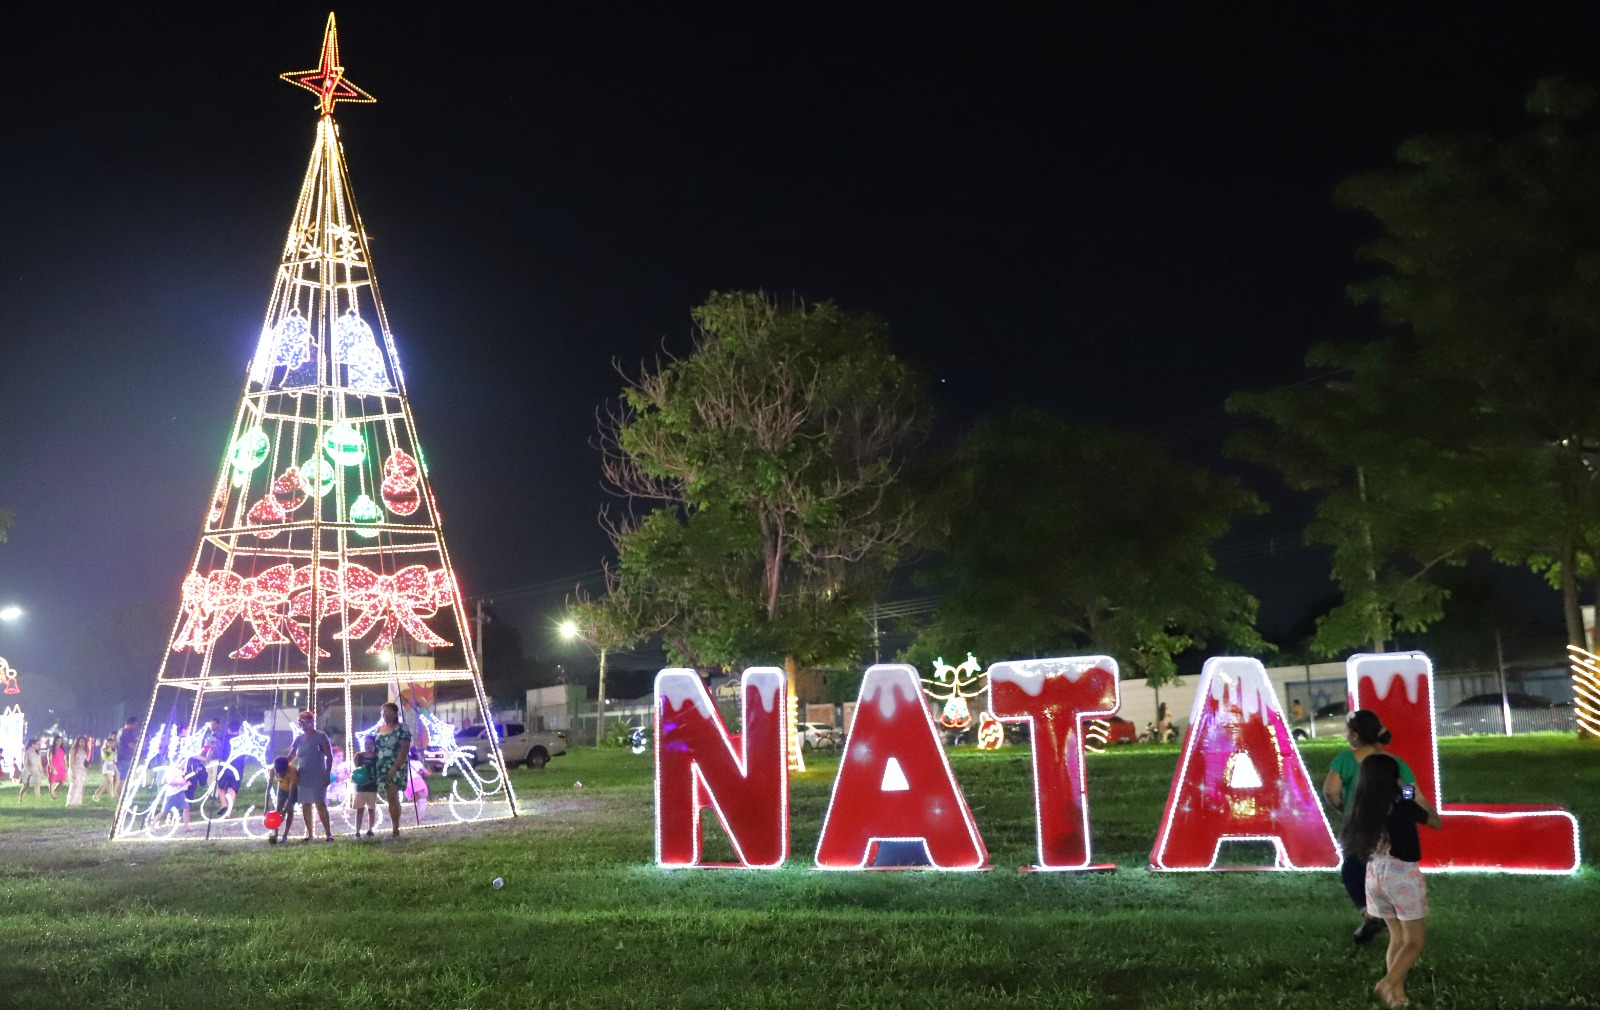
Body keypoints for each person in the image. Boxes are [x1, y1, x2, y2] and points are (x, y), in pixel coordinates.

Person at [1342, 753, 1441, 1008]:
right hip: (1401, 876)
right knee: (1415, 941)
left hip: (1374, 876)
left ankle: (1397, 997)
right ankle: (1386, 983)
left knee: (1396, 937)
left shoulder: (1361, 808)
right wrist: (1411, 791)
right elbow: (1434, 820)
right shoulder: (1402, 804)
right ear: (1393, 778)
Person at [1324, 709, 1419, 944]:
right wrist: (1403, 806)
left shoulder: (1345, 760)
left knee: (1354, 869)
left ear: (1355, 736)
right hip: (1389, 826)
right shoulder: (1394, 762)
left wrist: (1344, 808)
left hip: (1358, 825)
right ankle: (1395, 916)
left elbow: (1331, 791)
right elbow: (1410, 790)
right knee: (1386, 871)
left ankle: (1370, 912)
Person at [287, 710, 333, 842]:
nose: (301, 722)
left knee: (320, 803)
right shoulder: (298, 739)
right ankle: (309, 834)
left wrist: (327, 773)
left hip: (318, 774)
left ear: (311, 721)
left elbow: (329, 755)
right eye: (299, 720)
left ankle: (328, 833)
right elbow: (291, 756)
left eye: (304, 719)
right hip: (303, 775)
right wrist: (281, 764)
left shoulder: (321, 736)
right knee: (305, 804)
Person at [373, 702, 413, 838]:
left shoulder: (403, 729)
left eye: (389, 712)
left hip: (396, 765)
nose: (386, 715)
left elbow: (404, 751)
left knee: (392, 795)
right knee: (387, 796)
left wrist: (394, 768)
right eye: (383, 713)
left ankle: (395, 828)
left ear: (396, 714)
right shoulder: (379, 729)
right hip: (380, 765)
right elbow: (374, 747)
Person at [350, 736, 378, 839]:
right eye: (366, 743)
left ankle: (370, 830)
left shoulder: (377, 758)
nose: (368, 746)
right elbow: (356, 771)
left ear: (374, 745)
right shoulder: (359, 756)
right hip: (360, 788)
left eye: (371, 744)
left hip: (372, 788)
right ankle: (357, 831)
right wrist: (355, 778)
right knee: (359, 809)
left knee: (371, 809)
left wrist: (371, 780)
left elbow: (378, 773)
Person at [268, 756, 299, 844]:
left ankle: (285, 836)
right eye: (279, 773)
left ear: (287, 769)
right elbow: (268, 788)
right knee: (278, 810)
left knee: (290, 810)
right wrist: (266, 806)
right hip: (281, 789)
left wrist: (285, 811)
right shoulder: (272, 770)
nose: (280, 775)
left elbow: (291, 794)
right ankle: (275, 835)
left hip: (292, 790)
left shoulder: (293, 771)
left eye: (282, 773)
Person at [115, 717, 140, 794]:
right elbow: (131, 745)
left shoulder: (121, 731)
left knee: (123, 776)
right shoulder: (127, 733)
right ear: (131, 724)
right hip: (125, 757)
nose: (136, 727)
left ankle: (121, 792)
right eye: (135, 725)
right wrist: (140, 747)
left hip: (121, 756)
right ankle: (120, 793)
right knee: (124, 777)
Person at [91, 733, 118, 801]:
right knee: (108, 781)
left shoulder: (114, 747)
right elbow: (105, 752)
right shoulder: (105, 748)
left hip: (113, 764)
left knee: (111, 781)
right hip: (107, 764)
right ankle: (110, 795)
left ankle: (99, 794)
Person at [64, 736, 89, 807]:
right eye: (81, 741)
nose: (82, 743)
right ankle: (70, 802)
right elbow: (71, 762)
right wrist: (72, 771)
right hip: (75, 769)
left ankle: (77, 802)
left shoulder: (84, 751)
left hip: (82, 770)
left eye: (84, 742)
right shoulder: (74, 750)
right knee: (74, 786)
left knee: (80, 786)